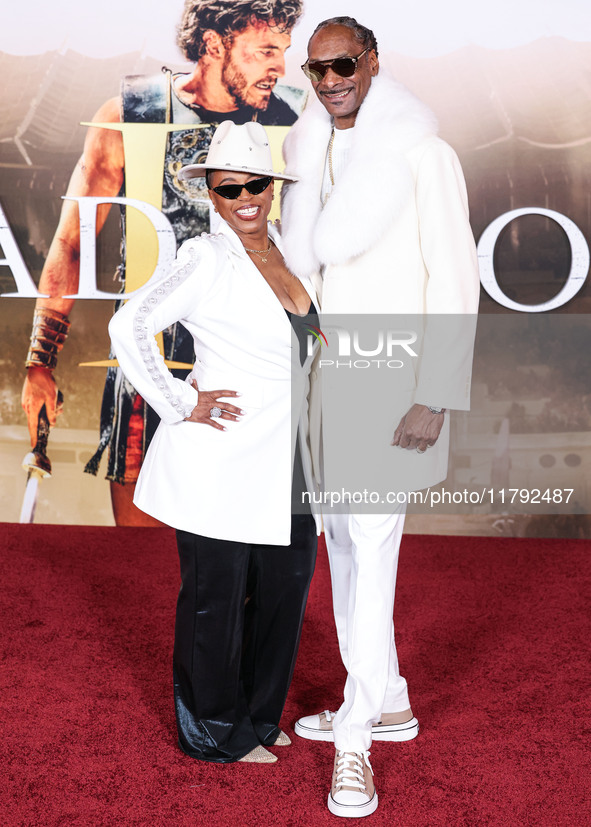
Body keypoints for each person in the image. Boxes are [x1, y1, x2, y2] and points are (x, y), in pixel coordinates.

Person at [280, 17, 480, 817]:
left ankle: (356, 738)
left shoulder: (422, 154)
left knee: (371, 546)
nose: (327, 80)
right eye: (315, 67)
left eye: (341, 65)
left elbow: (454, 278)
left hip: (395, 385)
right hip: (324, 383)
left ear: (370, 63)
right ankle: (386, 697)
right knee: (342, 545)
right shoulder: (309, 149)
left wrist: (435, 392)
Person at [21, 0, 305, 526]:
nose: (281, 67)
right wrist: (40, 360)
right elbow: (72, 243)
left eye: (284, 52)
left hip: (252, 369)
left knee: (245, 555)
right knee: (143, 560)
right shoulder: (130, 113)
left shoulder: (298, 119)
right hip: (148, 365)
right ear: (216, 45)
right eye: (267, 50)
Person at [109, 120, 319, 763]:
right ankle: (211, 731)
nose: (246, 198)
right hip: (222, 454)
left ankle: (258, 717)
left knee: (284, 591)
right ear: (212, 195)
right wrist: (179, 403)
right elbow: (131, 324)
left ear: (273, 188)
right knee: (216, 600)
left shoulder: (289, 248)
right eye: (230, 190)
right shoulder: (206, 256)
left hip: (292, 459)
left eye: (257, 184)